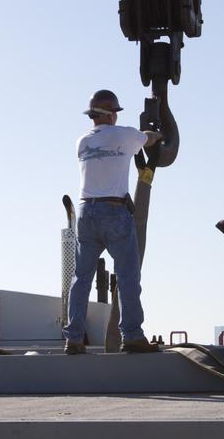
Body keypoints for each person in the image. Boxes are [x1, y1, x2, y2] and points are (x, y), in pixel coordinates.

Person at [63, 89, 162, 354]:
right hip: (114, 211)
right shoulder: (125, 135)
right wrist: (157, 133)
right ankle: (132, 335)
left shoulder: (82, 142)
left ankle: (73, 338)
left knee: (81, 278)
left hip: (86, 213)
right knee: (128, 276)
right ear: (112, 114)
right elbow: (150, 140)